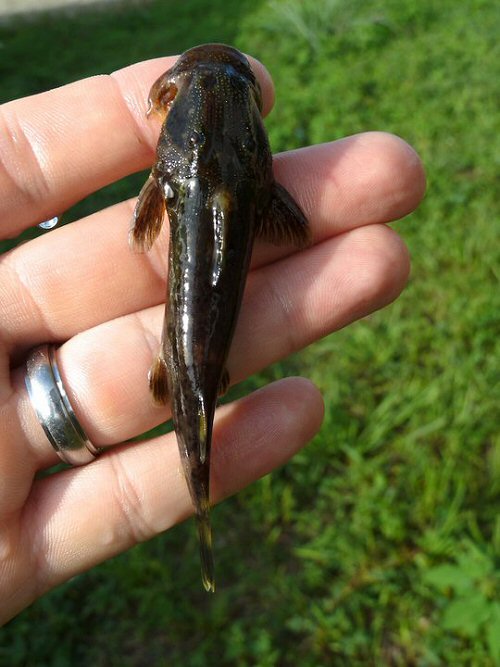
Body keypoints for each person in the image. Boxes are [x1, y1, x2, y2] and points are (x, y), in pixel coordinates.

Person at [0, 54, 426, 624]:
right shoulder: (252, 170)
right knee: (194, 380)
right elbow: (292, 223)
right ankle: (198, 505)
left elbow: (140, 233)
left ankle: (200, 501)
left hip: (187, 304)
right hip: (204, 294)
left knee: (193, 380)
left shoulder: (172, 167)